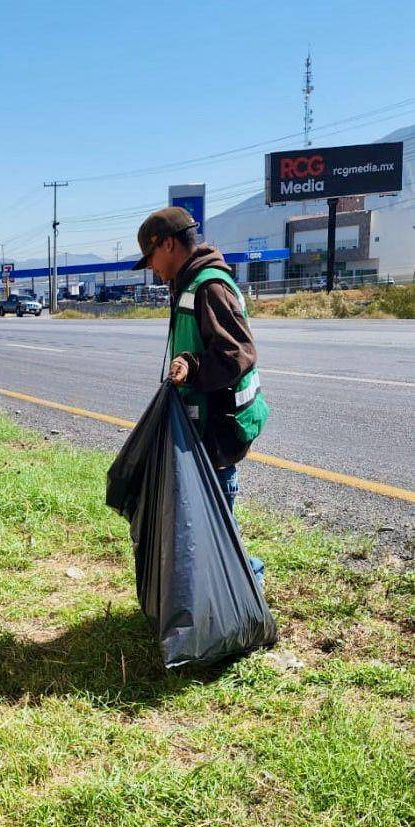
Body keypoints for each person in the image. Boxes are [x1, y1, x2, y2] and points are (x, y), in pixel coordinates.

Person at [132, 206, 269, 582]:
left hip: (220, 428)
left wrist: (192, 366)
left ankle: (245, 591)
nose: (152, 269)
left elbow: (238, 354)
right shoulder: (190, 283)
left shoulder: (209, 286)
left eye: (152, 258)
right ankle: (232, 588)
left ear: (170, 244)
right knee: (213, 523)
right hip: (207, 426)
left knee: (219, 524)